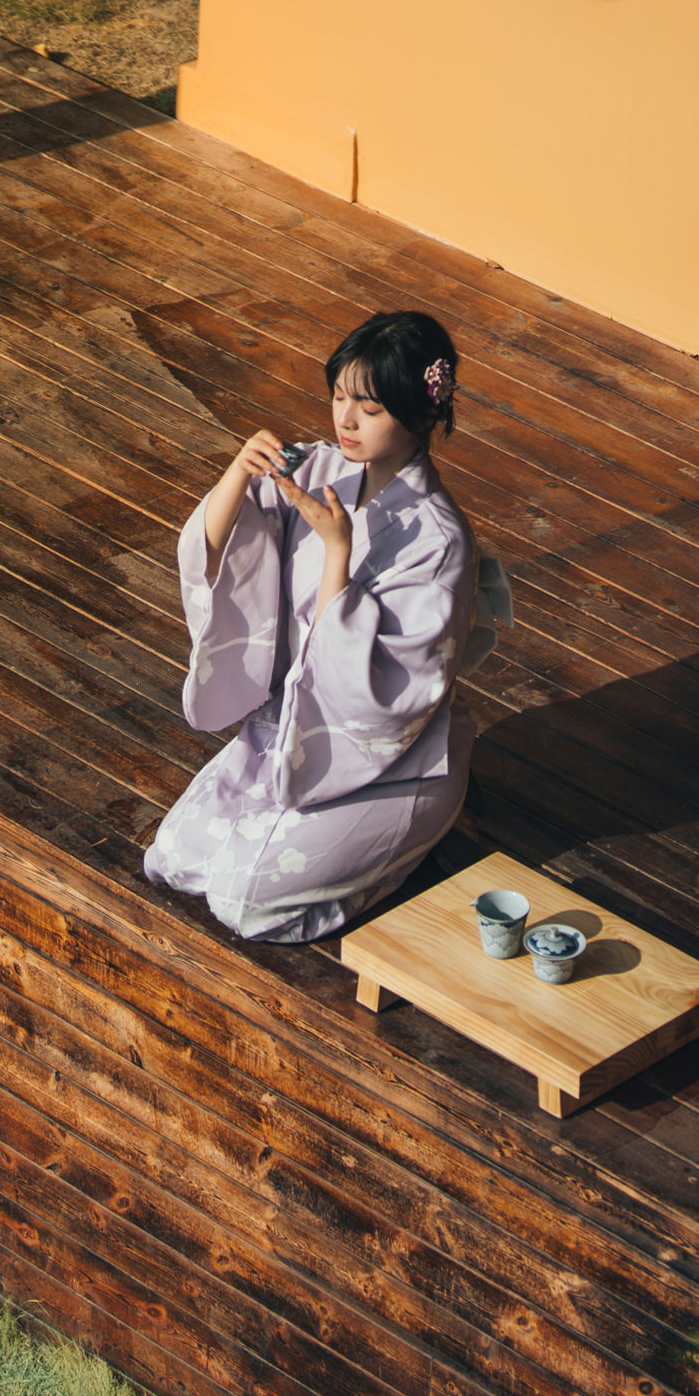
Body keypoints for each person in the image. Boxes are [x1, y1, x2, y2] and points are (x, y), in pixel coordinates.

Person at [144, 309, 504, 943]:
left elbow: (382, 693)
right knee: (174, 861)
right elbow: (222, 557)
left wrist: (337, 551)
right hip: (288, 732)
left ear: (419, 412)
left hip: (388, 757)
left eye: (368, 408)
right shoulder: (314, 468)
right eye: (339, 397)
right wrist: (236, 474)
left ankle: (406, 846)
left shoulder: (440, 541)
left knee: (246, 904)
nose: (345, 421)